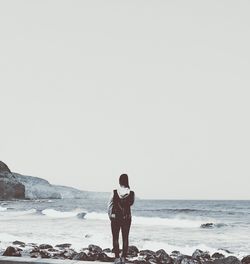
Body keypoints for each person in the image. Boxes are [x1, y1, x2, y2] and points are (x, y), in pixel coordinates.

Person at [107, 174, 135, 264]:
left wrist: (110, 216)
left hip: (115, 217)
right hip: (127, 217)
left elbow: (109, 205)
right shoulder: (131, 193)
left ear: (119, 181)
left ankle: (116, 258)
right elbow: (130, 204)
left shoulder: (114, 192)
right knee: (125, 238)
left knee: (115, 238)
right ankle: (123, 258)